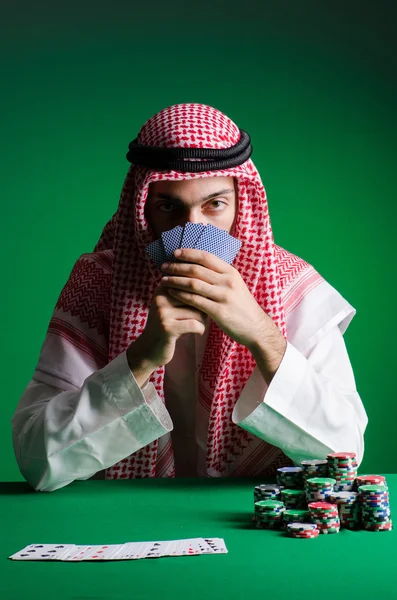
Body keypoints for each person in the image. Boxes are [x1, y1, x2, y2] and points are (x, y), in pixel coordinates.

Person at [11, 103, 368, 492]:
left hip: (248, 522)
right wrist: (139, 360)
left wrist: (264, 336)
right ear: (143, 208)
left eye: (214, 204)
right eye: (169, 207)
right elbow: (38, 461)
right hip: (124, 522)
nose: (193, 231)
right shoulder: (99, 282)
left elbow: (344, 453)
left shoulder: (290, 286)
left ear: (240, 205)